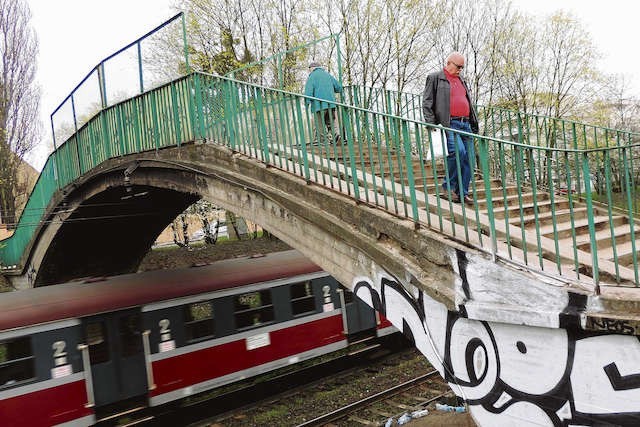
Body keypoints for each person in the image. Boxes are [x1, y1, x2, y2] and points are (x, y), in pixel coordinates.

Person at [422, 52, 479, 204]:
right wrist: (432, 124)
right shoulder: (435, 78)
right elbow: (427, 102)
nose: (460, 69)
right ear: (449, 63)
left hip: (465, 124)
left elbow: (467, 101)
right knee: (457, 152)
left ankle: (462, 193)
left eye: (462, 67)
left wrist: (474, 123)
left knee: (469, 158)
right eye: (458, 66)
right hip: (449, 123)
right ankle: (448, 188)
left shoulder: (462, 80)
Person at [304, 61, 343, 144]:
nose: (309, 71)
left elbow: (308, 92)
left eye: (309, 69)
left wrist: (306, 104)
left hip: (318, 105)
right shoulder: (327, 75)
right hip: (331, 103)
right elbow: (339, 88)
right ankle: (336, 136)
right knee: (331, 122)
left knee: (319, 123)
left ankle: (322, 140)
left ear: (312, 68)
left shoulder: (312, 76)